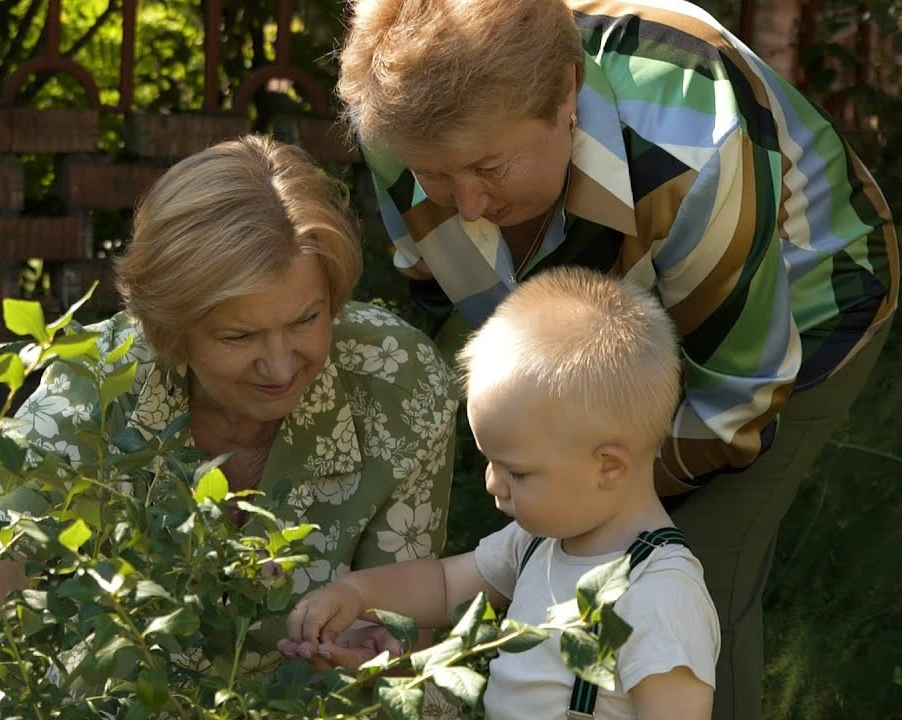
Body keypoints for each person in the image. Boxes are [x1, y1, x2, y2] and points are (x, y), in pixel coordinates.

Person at [336, 0, 898, 717]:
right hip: (598, 325)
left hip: (803, 309)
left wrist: (598, 492)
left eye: (487, 167)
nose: (465, 206)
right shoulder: (398, 128)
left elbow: (739, 396)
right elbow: (467, 317)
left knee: (685, 576)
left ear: (566, 96)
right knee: (551, 532)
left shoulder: (695, 137)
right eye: (435, 178)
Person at [0, 135, 459, 717]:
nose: (279, 364)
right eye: (238, 335)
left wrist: (370, 658)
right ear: (172, 330)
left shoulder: (396, 383)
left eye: (306, 319)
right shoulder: (101, 386)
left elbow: (405, 638)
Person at [284, 266, 719, 719]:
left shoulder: (659, 597)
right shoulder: (538, 543)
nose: (492, 483)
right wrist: (356, 592)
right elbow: (445, 584)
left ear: (608, 466)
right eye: (491, 462)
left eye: (518, 473)